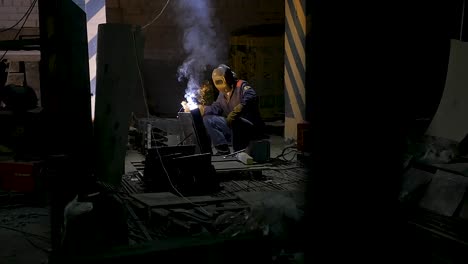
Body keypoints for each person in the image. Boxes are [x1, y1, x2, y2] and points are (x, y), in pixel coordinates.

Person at [200, 64, 264, 155]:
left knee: (235, 120)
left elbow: (251, 96)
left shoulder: (241, 85)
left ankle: (238, 152)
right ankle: (222, 149)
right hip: (233, 125)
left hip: (249, 127)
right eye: (217, 82)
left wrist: (237, 110)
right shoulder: (222, 93)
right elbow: (216, 108)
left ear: (228, 78)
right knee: (208, 119)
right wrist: (203, 109)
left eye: (220, 81)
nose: (219, 85)